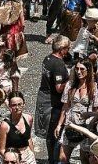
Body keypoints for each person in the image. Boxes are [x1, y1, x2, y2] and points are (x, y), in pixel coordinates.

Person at [34, 36, 69, 164]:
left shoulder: (47, 58)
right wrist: (70, 80)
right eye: (67, 49)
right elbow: (59, 88)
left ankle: (51, 159)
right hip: (53, 101)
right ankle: (54, 160)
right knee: (55, 132)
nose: (68, 51)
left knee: (50, 133)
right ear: (61, 49)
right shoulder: (58, 64)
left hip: (44, 95)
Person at [0, 93, 35, 164]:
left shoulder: (28, 118)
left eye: (19, 104)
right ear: (10, 106)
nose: (17, 107)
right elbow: (1, 149)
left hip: (27, 155)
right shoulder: (5, 125)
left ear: (24, 104)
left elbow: (28, 138)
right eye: (14, 105)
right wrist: (13, 159)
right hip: (11, 157)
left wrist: (32, 154)